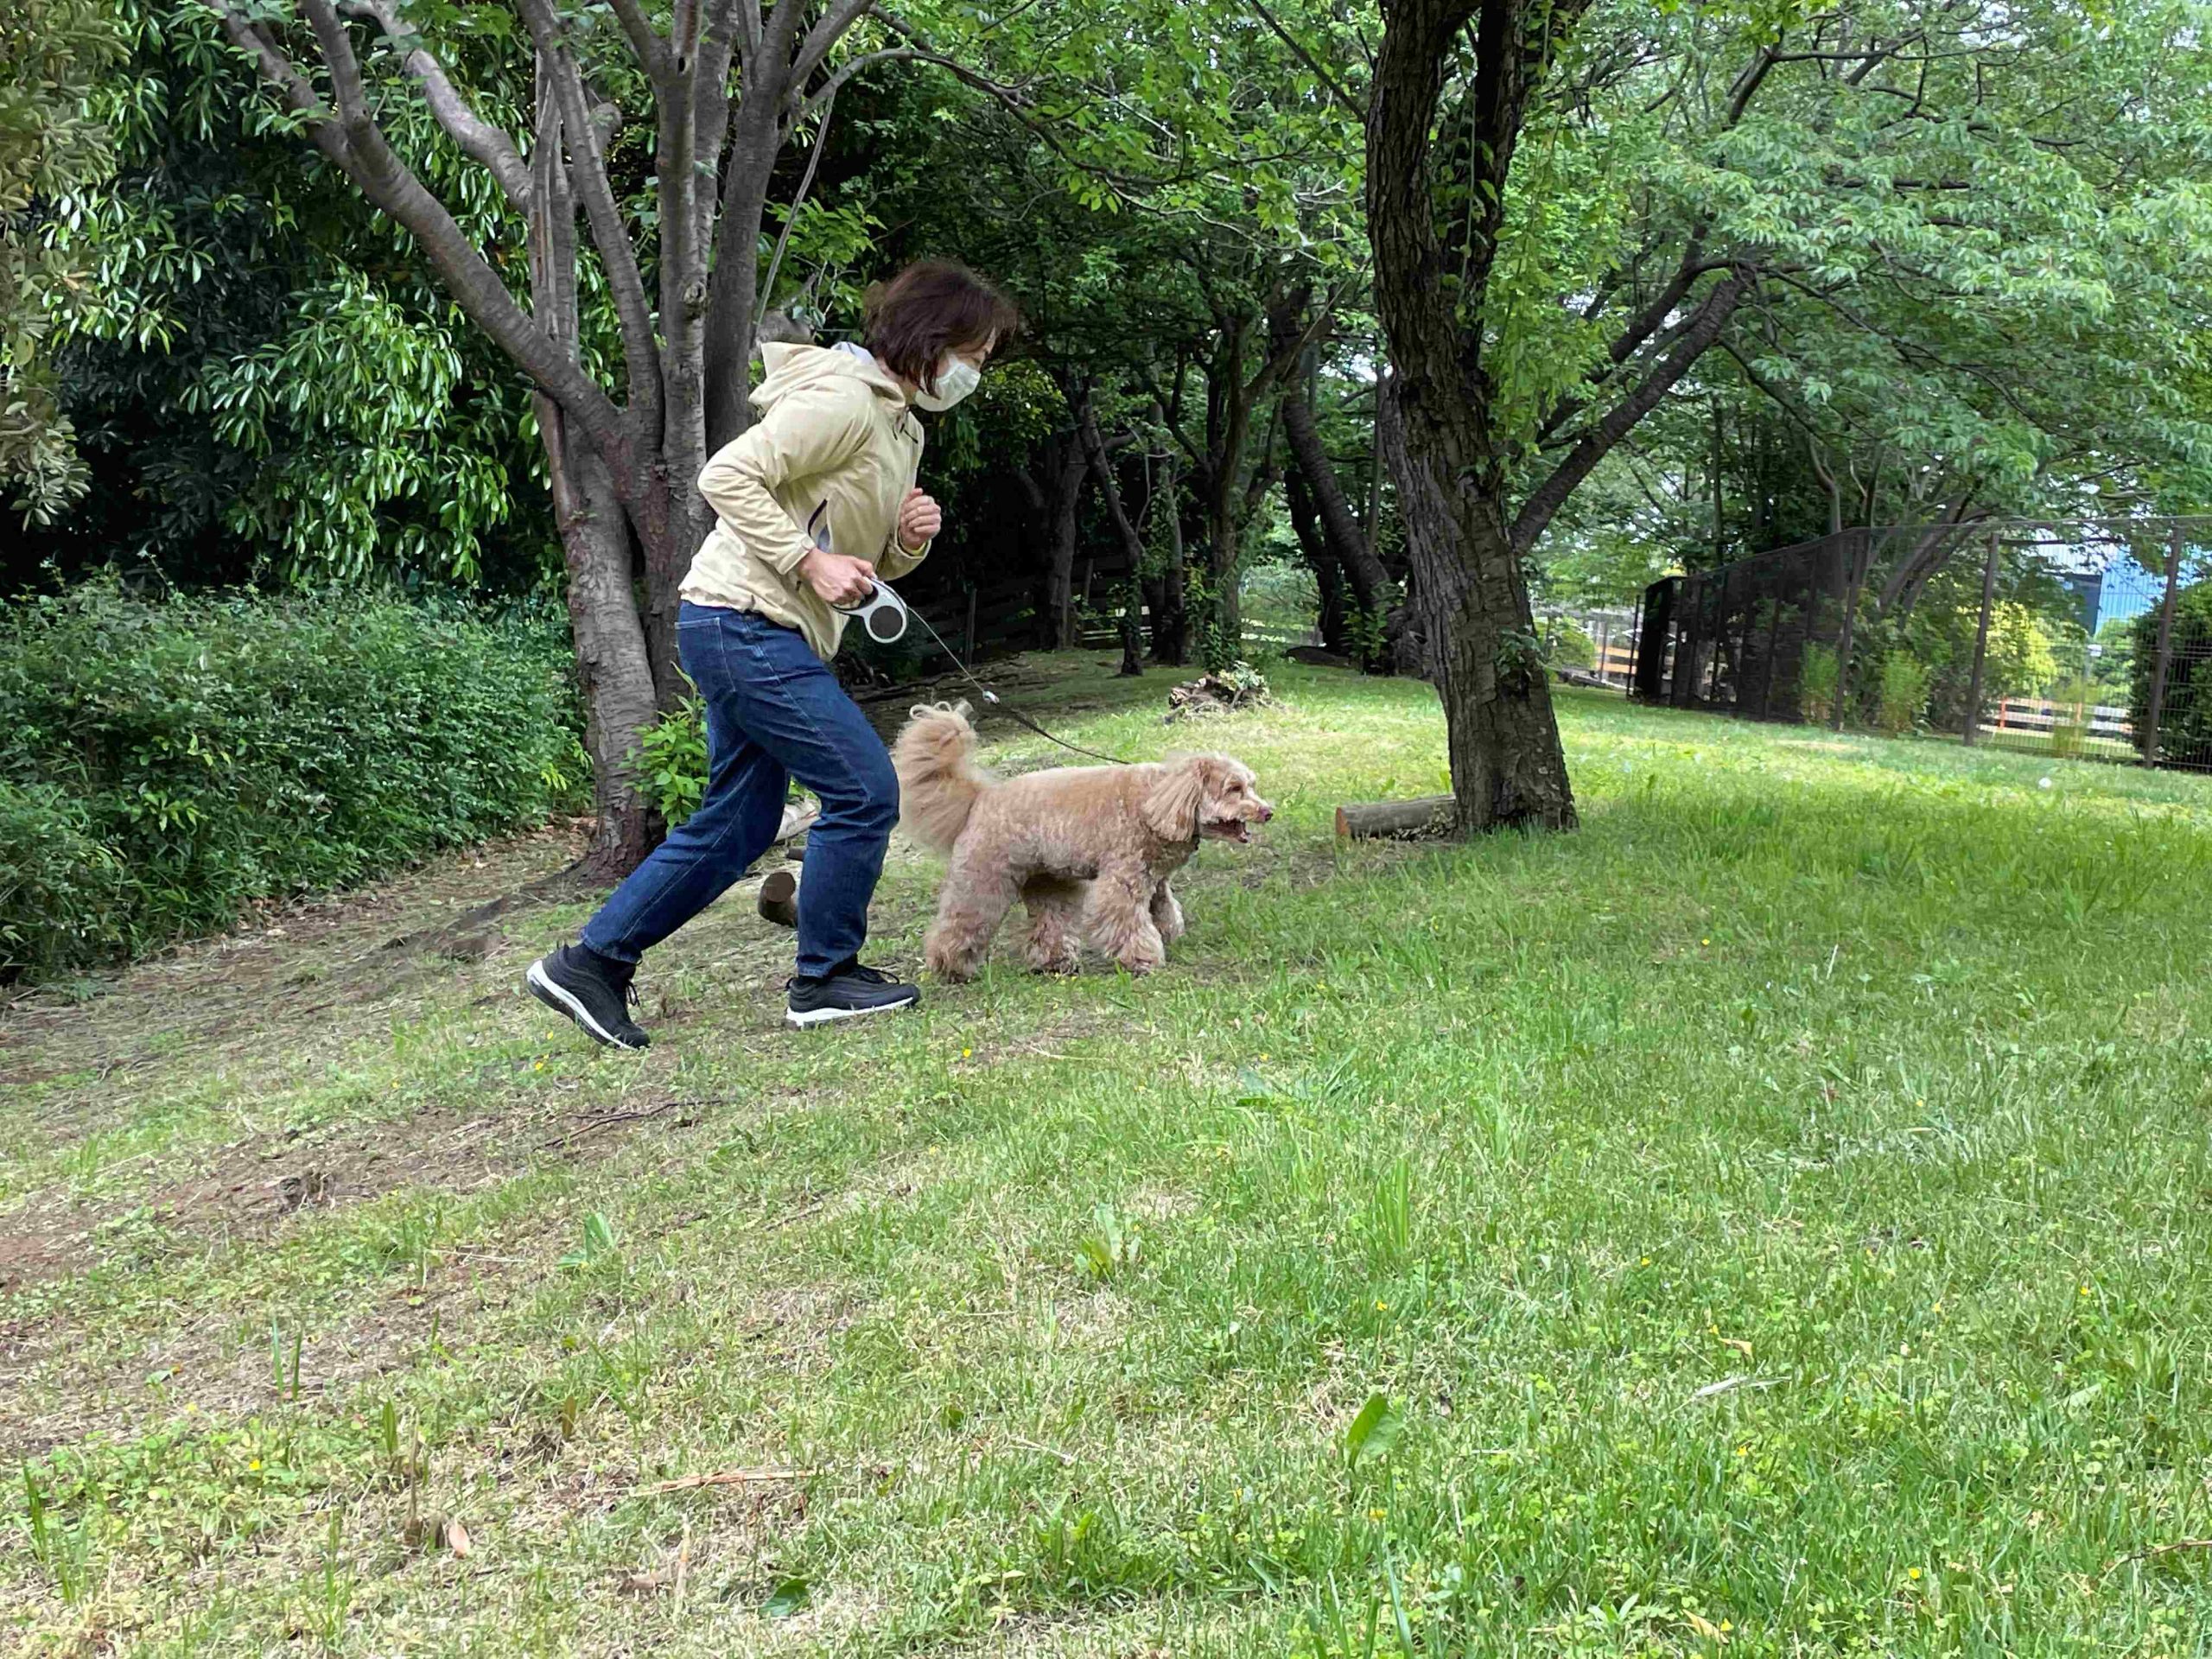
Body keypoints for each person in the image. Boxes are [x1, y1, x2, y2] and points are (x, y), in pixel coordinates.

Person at [527, 260, 1019, 1046]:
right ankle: (824, 978)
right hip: (741, 620)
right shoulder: (841, 399)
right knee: (863, 789)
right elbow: (727, 476)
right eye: (977, 354)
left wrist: (903, 541)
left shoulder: (901, 424)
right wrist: (808, 563)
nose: (976, 372)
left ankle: (590, 964)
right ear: (933, 337)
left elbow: (855, 553)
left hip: (764, 628)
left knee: (738, 824)